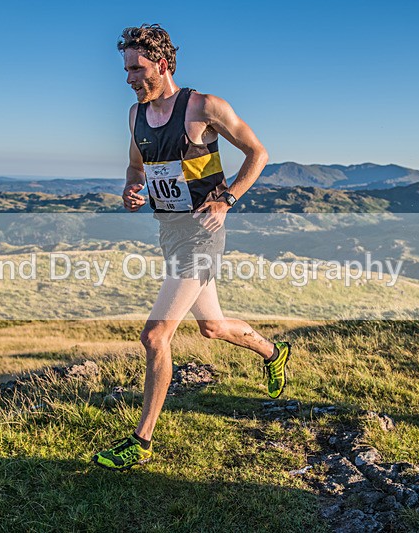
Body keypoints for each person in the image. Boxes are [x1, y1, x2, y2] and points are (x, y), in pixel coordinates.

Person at [92, 24, 291, 471]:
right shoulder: (135, 115)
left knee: (155, 335)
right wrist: (131, 189)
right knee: (213, 327)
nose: (128, 78)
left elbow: (258, 153)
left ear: (161, 65)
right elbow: (133, 167)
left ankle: (141, 441)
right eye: (125, 70)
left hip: (203, 233)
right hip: (170, 231)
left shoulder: (204, 106)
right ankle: (275, 353)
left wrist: (227, 198)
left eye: (136, 69)